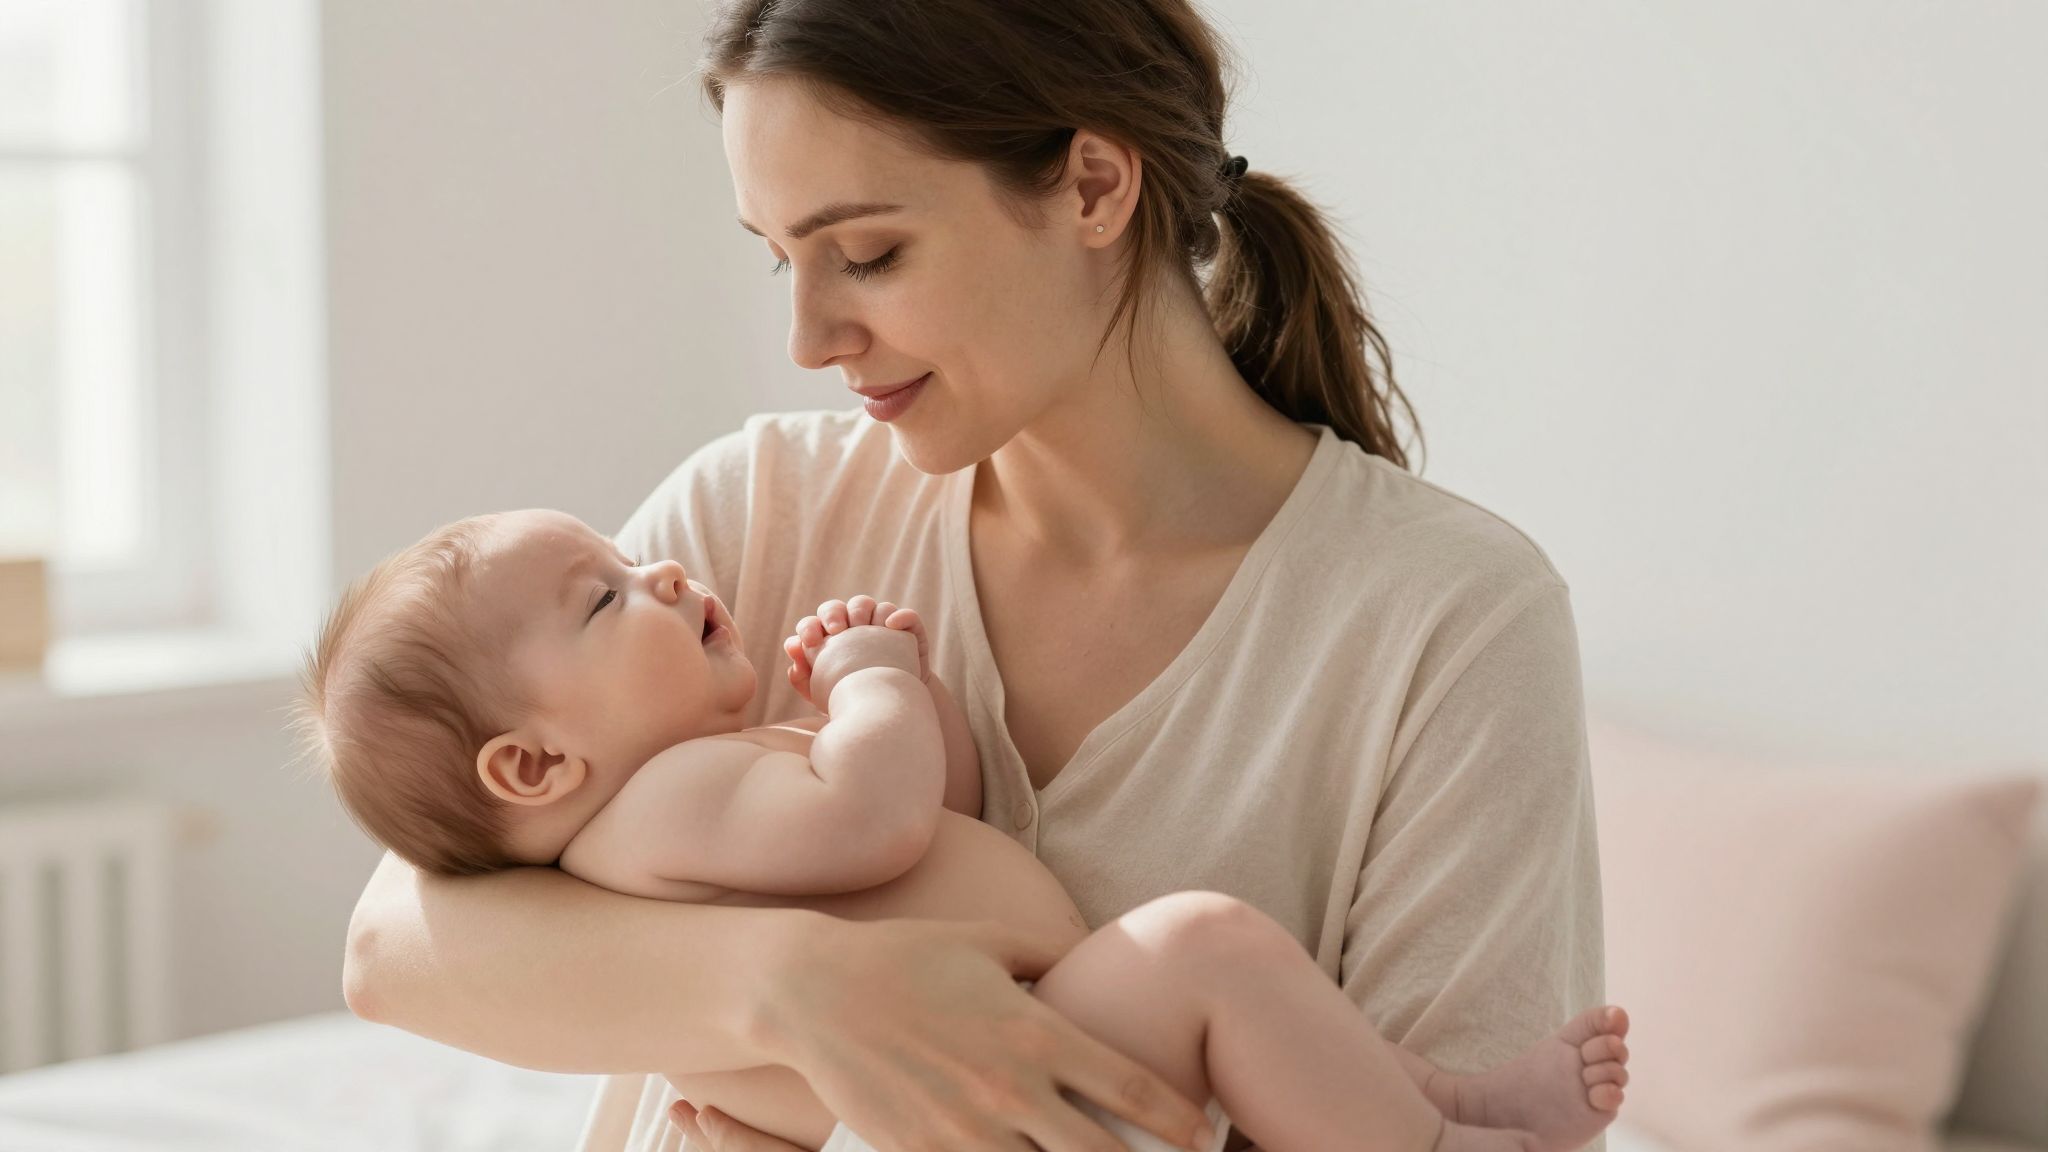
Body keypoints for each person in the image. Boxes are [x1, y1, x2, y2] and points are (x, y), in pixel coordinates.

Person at [338, 2, 1609, 1150]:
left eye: (869, 254)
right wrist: (810, 992)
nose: (807, 339)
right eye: (782, 258)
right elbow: (398, 951)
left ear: (1093, 186)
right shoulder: (755, 508)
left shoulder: (1443, 621)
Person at [306, 509, 1629, 1152]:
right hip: (980, 1089)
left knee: (1241, 1003)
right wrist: (877, 680)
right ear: (533, 762)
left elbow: (934, 824)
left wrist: (908, 715)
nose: (656, 568)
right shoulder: (663, 806)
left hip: (1012, 1058)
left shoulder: (701, 792)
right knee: (1209, 949)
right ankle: (1442, 1134)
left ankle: (1441, 1094)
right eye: (604, 599)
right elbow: (874, 821)